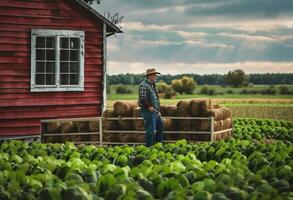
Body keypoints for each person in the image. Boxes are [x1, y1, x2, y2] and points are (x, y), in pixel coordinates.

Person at [138, 68, 164, 147]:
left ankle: (158, 146)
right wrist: (148, 106)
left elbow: (156, 98)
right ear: (149, 76)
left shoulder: (152, 84)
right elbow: (142, 98)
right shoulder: (143, 85)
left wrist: (158, 110)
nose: (156, 76)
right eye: (154, 75)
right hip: (148, 111)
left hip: (155, 111)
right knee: (151, 131)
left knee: (160, 127)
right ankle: (149, 147)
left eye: (156, 74)